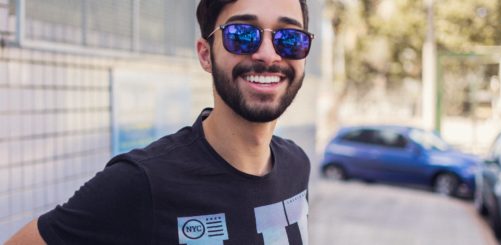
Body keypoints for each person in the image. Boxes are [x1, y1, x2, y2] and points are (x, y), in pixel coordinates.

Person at [7, 0, 314, 244]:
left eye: (289, 38)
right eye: (243, 35)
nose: (267, 53)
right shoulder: (142, 182)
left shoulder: (297, 166)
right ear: (206, 55)